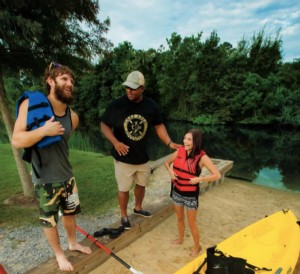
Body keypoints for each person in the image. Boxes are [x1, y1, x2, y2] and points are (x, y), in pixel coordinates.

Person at [11, 62, 92, 272]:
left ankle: (73, 242)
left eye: (72, 80)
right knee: (49, 220)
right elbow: (17, 140)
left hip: (68, 176)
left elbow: (62, 145)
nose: (70, 83)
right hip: (45, 179)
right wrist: (44, 131)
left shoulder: (72, 117)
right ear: (50, 81)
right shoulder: (30, 105)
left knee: (71, 212)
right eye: (64, 79)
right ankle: (59, 254)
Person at [100, 70, 179, 230]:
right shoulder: (117, 105)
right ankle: (124, 215)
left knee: (141, 185)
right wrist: (115, 142)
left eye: (133, 88)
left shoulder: (151, 106)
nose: (129, 90)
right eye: (127, 87)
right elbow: (104, 124)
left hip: (142, 156)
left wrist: (169, 142)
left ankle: (138, 207)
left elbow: (159, 126)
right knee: (123, 188)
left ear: (142, 88)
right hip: (123, 157)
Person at [164, 128, 221, 257]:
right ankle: (180, 238)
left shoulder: (202, 157)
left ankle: (197, 247)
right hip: (177, 190)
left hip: (190, 195)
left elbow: (217, 175)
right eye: (185, 138)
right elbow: (167, 163)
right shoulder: (179, 150)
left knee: (191, 223)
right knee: (179, 218)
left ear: (196, 141)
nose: (185, 141)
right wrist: (171, 172)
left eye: (189, 139)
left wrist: (200, 179)